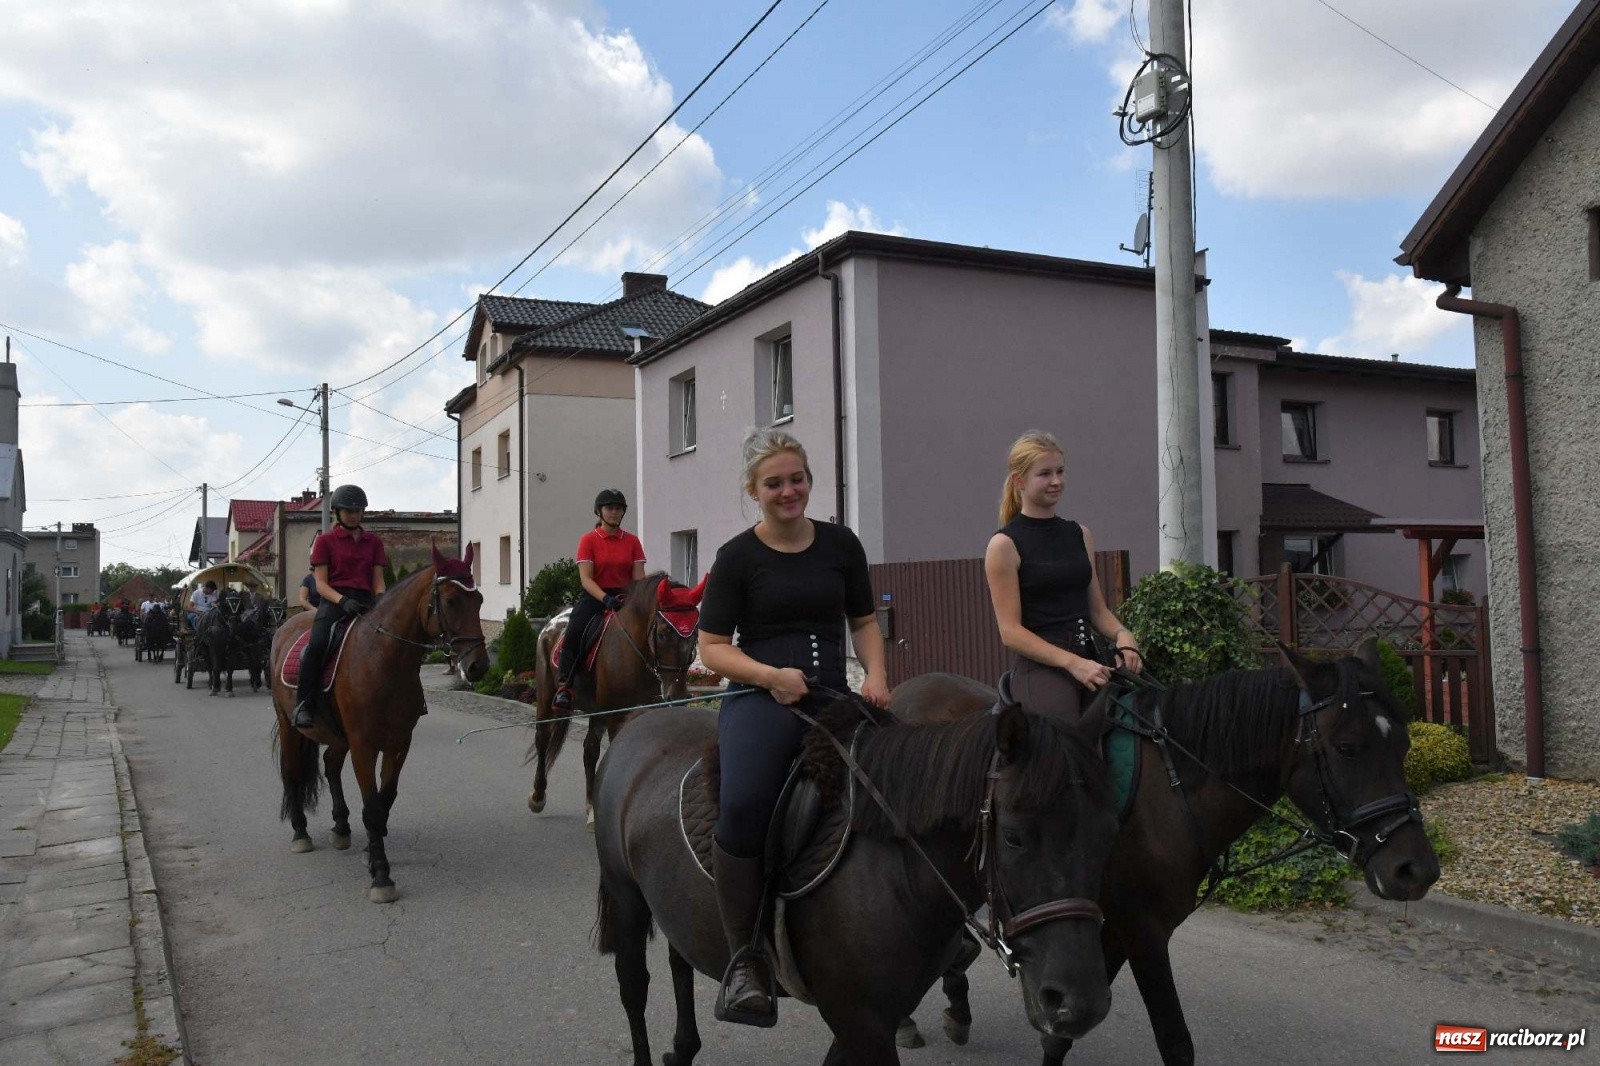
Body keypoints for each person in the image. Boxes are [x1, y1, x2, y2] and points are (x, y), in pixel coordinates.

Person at [697, 428, 890, 1027]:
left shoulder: (841, 544)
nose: (789, 491)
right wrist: (768, 676)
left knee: (903, 777)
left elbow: (863, 620)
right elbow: (711, 648)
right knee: (744, 804)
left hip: (835, 696)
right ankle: (747, 959)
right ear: (753, 491)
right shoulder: (736, 557)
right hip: (761, 699)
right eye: (774, 483)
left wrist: (877, 676)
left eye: (797, 479)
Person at [985, 430, 1143, 722]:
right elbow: (1011, 632)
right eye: (1044, 474)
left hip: (1092, 659)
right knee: (1067, 740)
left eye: (1060, 471)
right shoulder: (1004, 545)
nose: (1056, 481)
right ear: (1019, 481)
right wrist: (1073, 664)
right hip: (1042, 670)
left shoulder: (1080, 534)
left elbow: (1097, 611)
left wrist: (1124, 636)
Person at [293, 484, 388, 730]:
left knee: (394, 640)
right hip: (335, 602)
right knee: (317, 645)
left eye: (358, 511)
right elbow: (320, 584)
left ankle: (407, 698)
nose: (354, 515)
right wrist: (343, 601)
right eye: (349, 511)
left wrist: (381, 599)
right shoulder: (325, 541)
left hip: (366, 601)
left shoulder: (373, 542)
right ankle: (304, 703)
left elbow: (378, 579)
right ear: (337, 512)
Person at [551, 489, 646, 714]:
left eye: (618, 508)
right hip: (596, 595)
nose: (614, 512)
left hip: (625, 596)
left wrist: (639, 599)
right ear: (599, 511)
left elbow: (639, 577)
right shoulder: (589, 540)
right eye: (609, 508)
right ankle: (565, 686)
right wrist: (605, 598)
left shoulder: (632, 541)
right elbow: (586, 579)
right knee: (576, 628)